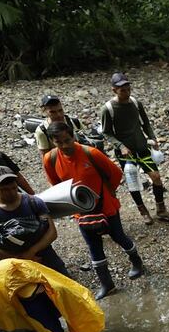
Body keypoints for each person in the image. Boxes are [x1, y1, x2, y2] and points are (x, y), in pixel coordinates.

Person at [43, 121, 145, 300]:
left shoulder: (91, 153)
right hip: (80, 210)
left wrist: (106, 193)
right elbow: (56, 185)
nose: (65, 146)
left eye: (68, 140)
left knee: (118, 236)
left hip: (105, 205)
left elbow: (115, 174)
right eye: (59, 142)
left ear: (73, 136)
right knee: (93, 246)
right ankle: (107, 284)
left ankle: (137, 263)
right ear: (52, 142)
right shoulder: (50, 159)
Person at [99, 72, 169, 223]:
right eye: (122, 90)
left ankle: (161, 209)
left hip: (141, 146)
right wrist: (120, 146)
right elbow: (106, 132)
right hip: (125, 153)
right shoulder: (108, 109)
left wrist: (152, 137)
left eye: (128, 89)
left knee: (156, 177)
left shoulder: (135, 103)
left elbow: (145, 123)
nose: (126, 93)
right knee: (133, 181)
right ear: (114, 90)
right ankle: (143, 211)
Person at [0, 165, 69, 276]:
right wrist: (20, 258)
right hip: (11, 260)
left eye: (13, 188)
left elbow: (52, 233)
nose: (11, 192)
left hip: (43, 254)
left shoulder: (33, 202)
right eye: (4, 190)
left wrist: (31, 252)